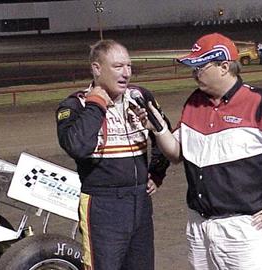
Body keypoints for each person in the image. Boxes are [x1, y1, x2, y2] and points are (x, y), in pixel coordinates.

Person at [136, 33, 262, 270]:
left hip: (244, 230)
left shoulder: (260, 102)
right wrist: (157, 127)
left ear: (224, 66)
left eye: (200, 66)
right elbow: (176, 154)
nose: (194, 73)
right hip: (199, 225)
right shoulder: (193, 102)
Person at [56, 39, 171, 270]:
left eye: (129, 66)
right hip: (103, 204)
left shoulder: (140, 96)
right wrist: (96, 104)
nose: (126, 73)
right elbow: (77, 146)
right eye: (118, 66)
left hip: (140, 202)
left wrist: (157, 173)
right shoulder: (75, 104)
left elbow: (163, 132)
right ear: (97, 69)